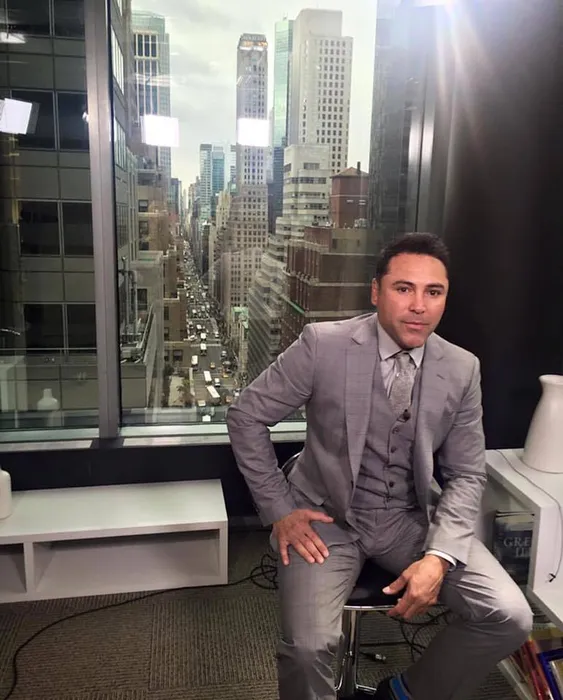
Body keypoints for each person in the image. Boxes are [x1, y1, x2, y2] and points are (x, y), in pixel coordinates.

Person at [226, 232, 532, 700]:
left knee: (510, 615)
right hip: (324, 517)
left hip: (407, 518)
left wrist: (439, 555)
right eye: (403, 288)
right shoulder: (323, 345)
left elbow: (467, 473)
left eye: (433, 292)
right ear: (376, 291)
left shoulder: (461, 368)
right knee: (309, 648)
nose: (419, 306)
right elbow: (246, 416)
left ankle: (406, 693)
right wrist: (279, 510)